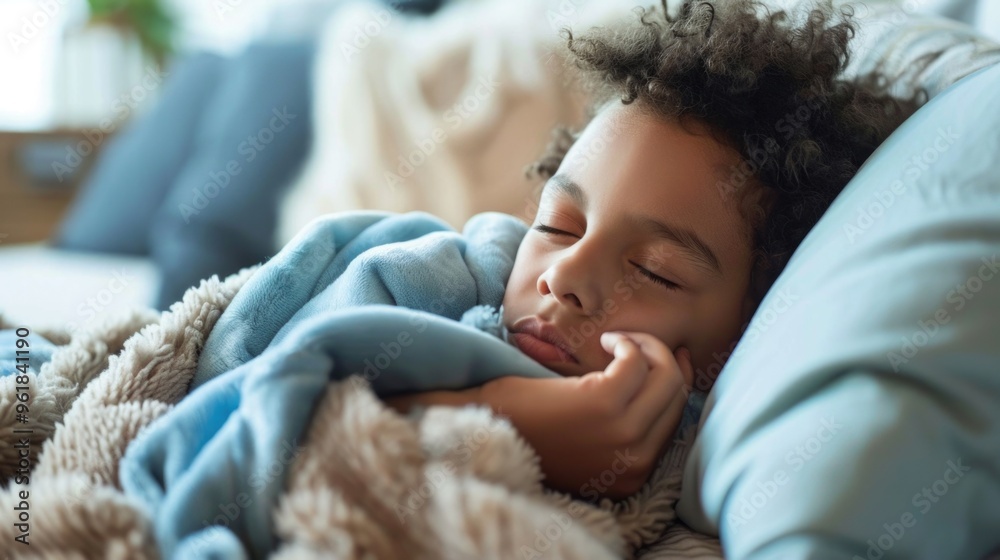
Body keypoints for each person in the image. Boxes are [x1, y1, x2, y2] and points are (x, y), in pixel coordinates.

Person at [385, 0, 922, 500]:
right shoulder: (435, 277)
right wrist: (500, 417)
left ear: (749, 334)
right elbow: (309, 375)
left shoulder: (719, 462)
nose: (564, 275)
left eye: (653, 271)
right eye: (558, 226)